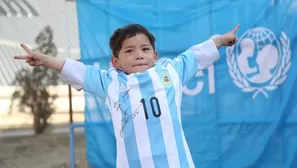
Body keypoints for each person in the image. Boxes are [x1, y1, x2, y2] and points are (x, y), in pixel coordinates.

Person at [14, 24, 239, 168]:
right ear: (116, 61)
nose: (139, 55)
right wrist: (45, 59)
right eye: (129, 50)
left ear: (155, 55)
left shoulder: (170, 71)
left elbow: (195, 55)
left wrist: (219, 40)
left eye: (145, 49)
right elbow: (77, 70)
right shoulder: (110, 82)